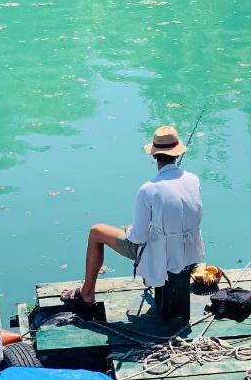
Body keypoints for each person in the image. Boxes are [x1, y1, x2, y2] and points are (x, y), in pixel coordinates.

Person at [60, 125, 203, 311]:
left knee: (96, 231)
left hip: (162, 255)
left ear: (153, 155)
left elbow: (138, 238)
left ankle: (87, 292)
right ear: (177, 153)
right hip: (190, 252)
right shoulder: (193, 179)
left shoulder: (148, 189)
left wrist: (128, 229)